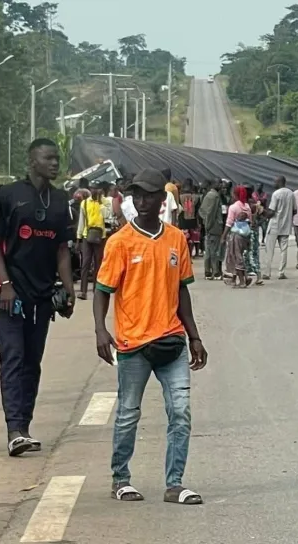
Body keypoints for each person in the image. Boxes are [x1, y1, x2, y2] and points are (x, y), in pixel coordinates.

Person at [93, 168, 208, 506]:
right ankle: (121, 479)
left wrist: (195, 336)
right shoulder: (120, 243)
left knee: (181, 412)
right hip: (133, 345)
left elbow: (182, 291)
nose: (142, 201)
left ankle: (175, 484)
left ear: (162, 199)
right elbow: (102, 290)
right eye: (137, 195)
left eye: (149, 195)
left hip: (172, 341)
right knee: (129, 412)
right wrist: (100, 329)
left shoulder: (176, 239)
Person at [0, 139, 76, 457]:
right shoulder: (9, 195)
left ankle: (25, 425)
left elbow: (62, 249)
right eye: (48, 158)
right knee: (13, 358)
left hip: (43, 296)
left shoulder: (61, 200)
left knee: (32, 362)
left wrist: (68, 290)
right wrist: (5, 284)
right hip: (12, 294)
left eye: (57, 158)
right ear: (32, 161)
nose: (54, 163)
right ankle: (14, 430)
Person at [77, 182, 108, 300]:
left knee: (98, 263)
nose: (94, 191)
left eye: (97, 189)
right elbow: (81, 221)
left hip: (101, 236)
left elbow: (107, 215)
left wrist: (100, 202)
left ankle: (97, 289)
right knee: (85, 263)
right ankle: (83, 291)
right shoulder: (85, 203)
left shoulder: (105, 202)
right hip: (87, 235)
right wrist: (78, 238)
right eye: (92, 188)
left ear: (100, 190)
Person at [221, 186, 254, 287]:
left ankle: (242, 281)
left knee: (236, 256)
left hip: (236, 235)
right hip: (245, 235)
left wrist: (223, 236)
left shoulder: (233, 207)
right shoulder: (247, 207)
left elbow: (229, 223)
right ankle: (236, 279)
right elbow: (250, 221)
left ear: (235, 195)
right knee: (239, 255)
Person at [264, 176, 295, 280]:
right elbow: (295, 210)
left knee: (269, 250)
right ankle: (281, 272)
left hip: (274, 225)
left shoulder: (276, 194)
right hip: (286, 226)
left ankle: (267, 273)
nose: (274, 184)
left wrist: (264, 213)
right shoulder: (291, 193)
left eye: (275, 182)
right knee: (284, 250)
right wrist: (287, 215)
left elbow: (272, 212)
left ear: (279, 182)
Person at [199, 181, 224, 280]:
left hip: (209, 226)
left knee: (208, 250)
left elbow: (202, 211)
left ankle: (208, 272)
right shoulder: (215, 196)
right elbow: (211, 213)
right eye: (219, 183)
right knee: (213, 250)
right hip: (214, 227)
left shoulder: (209, 195)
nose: (221, 186)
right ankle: (216, 272)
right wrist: (208, 225)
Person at [179, 179, 201, 257]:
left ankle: (183, 255)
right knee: (191, 240)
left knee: (183, 239)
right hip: (193, 221)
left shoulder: (179, 196)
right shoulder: (196, 197)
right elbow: (198, 210)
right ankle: (189, 256)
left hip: (182, 221)